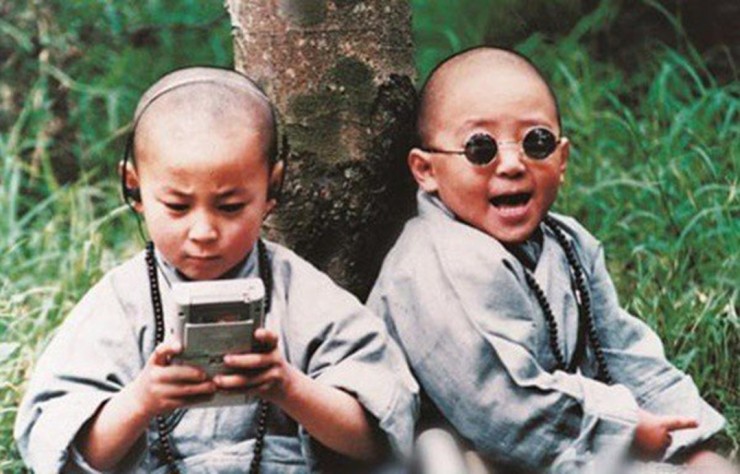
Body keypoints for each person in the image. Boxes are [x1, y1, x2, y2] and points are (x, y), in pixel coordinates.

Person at [15, 67, 418, 473]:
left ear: (272, 189)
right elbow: (64, 453)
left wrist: (287, 387)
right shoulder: (120, 304)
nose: (204, 232)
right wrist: (141, 400)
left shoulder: (301, 294)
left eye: (230, 207)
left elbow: (376, 440)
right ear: (134, 186)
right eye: (177, 206)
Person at [367, 47, 731, 473]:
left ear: (561, 159)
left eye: (535, 141)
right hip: (469, 450)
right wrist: (627, 429)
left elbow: (624, 353)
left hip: (561, 441)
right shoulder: (430, 263)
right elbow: (503, 404)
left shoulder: (568, 242)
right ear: (426, 170)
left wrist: (692, 439)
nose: (511, 164)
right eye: (479, 148)